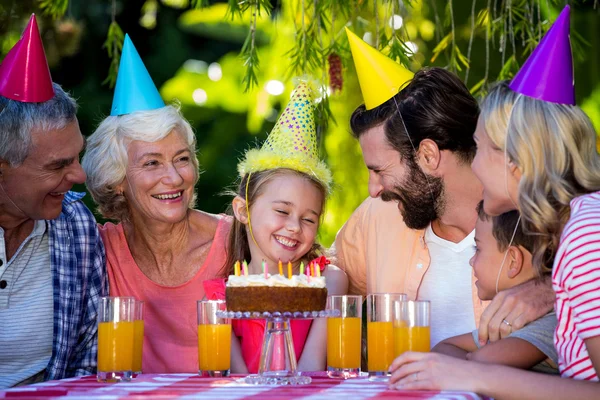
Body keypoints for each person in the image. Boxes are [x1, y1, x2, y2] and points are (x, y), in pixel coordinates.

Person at [389, 6, 600, 397]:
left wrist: (474, 377)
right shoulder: (579, 225)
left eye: (480, 147)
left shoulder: (585, 233)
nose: (473, 163)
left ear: (516, 162)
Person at [336, 29, 555, 348]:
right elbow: (316, 273)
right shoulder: (378, 216)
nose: (373, 189)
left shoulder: (539, 214)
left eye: (379, 171)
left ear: (428, 155)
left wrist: (551, 290)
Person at [82, 35, 230, 373]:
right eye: (151, 164)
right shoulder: (97, 250)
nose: (175, 178)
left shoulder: (235, 242)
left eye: (181, 158)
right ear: (117, 180)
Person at [204, 82, 348, 373]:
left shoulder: (328, 281)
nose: (295, 227)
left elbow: (310, 369)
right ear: (243, 210)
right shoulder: (223, 295)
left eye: (309, 219)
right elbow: (237, 380)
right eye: (282, 210)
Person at [0, 15, 107, 388]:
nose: (79, 176)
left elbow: (88, 360)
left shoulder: (77, 225)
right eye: (59, 165)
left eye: (77, 157)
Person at [433, 202, 558, 374]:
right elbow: (443, 348)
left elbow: (482, 362)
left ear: (513, 260)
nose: (471, 260)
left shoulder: (553, 320)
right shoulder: (515, 318)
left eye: (477, 248)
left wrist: (466, 364)